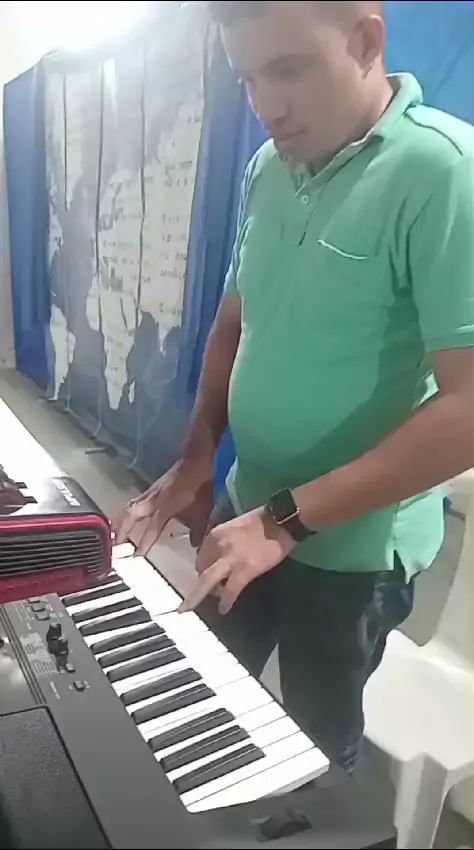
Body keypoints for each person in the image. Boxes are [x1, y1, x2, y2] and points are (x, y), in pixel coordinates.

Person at [116, 0, 474, 771]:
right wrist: (197, 458)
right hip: (246, 509)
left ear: (367, 40)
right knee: (199, 702)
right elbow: (234, 321)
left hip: (350, 558)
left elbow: (469, 407)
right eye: (246, 77)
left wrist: (287, 521)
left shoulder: (444, 172)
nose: (265, 105)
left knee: (312, 754)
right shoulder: (268, 167)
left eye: (288, 69)